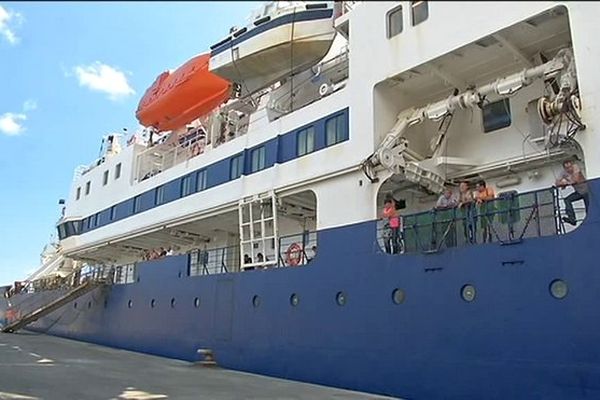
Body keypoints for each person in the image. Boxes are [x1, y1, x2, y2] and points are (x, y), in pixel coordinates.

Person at [556, 158, 589, 226]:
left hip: (587, 191)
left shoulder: (576, 167)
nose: (569, 169)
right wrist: (563, 183)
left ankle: (590, 221)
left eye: (570, 166)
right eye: (567, 168)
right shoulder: (563, 172)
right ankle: (572, 218)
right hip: (579, 192)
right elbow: (557, 183)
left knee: (588, 209)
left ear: (572, 165)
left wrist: (565, 182)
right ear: (565, 168)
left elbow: (575, 180)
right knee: (567, 200)